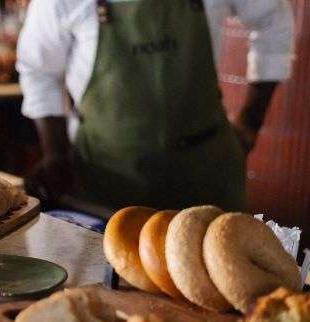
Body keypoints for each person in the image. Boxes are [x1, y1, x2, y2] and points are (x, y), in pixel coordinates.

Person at [17, 0, 293, 211]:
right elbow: (38, 70)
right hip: (102, 183)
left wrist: (250, 122)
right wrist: (55, 153)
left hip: (206, 181)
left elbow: (274, 20)